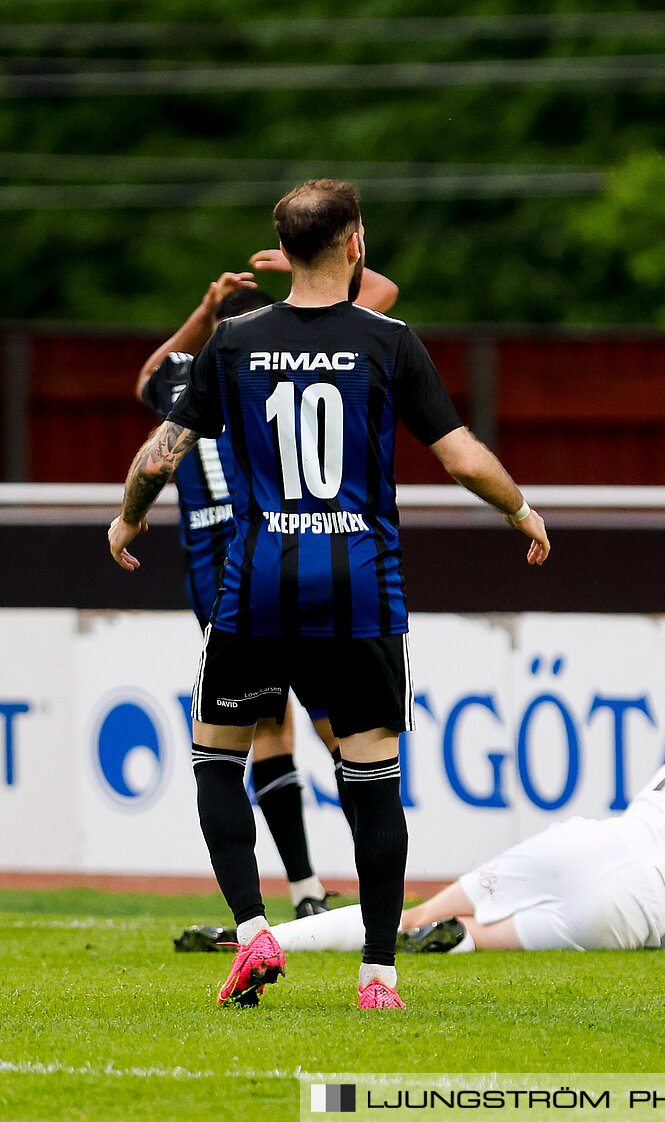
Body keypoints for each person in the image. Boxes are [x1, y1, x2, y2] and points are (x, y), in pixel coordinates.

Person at [108, 179, 551, 1010]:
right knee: (373, 776)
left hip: (256, 586)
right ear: (354, 244)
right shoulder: (386, 340)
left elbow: (160, 454)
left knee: (217, 756)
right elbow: (460, 457)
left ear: (283, 248)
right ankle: (378, 976)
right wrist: (522, 511)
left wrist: (127, 522)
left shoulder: (234, 342)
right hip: (361, 589)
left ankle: (252, 933)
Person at [176, 679, 665, 956]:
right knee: (471, 940)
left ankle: (252, 941)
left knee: (404, 917)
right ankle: (460, 941)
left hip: (584, 842)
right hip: (640, 897)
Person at [133, 252, 400, 920]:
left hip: (216, 576)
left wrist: (203, 307)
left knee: (256, 733)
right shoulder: (268, 363)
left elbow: (146, 378)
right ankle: (361, 909)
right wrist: (308, 264)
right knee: (343, 733)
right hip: (282, 555)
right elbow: (383, 292)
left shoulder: (182, 379)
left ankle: (301, 892)